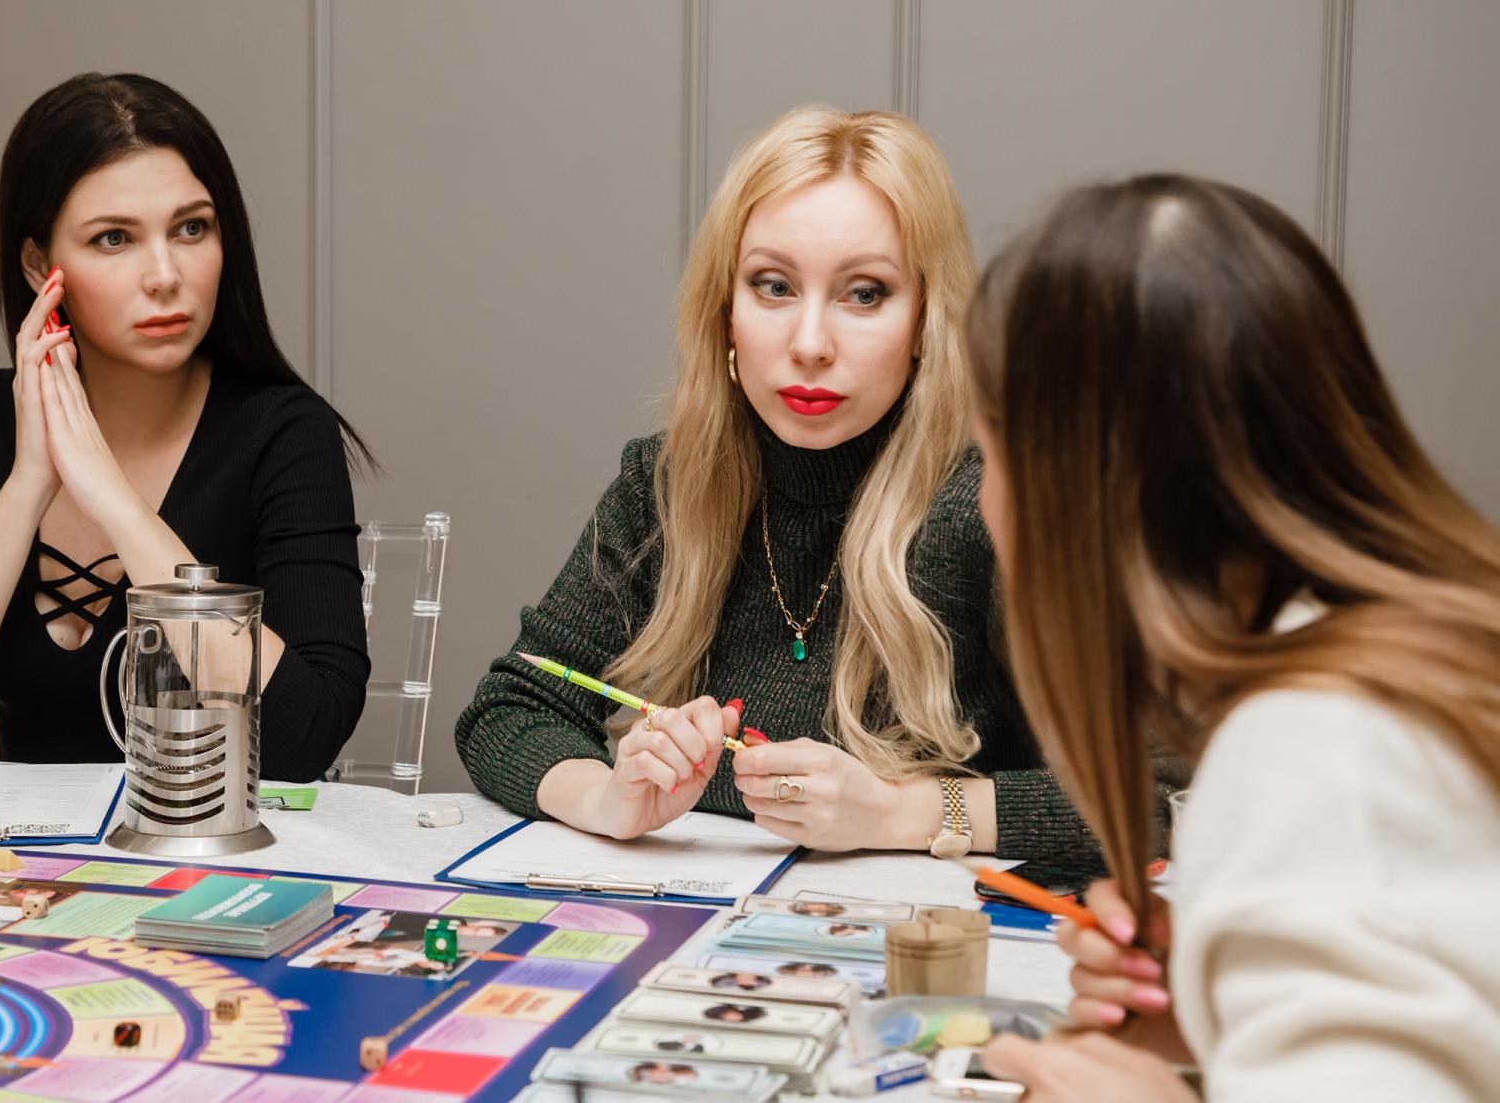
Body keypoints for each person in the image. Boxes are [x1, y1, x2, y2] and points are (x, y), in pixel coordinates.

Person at [456, 106, 1152, 860]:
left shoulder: (995, 504)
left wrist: (902, 813)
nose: (811, 344)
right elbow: (511, 705)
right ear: (725, 310)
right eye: (774, 286)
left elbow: (1163, 789)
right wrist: (606, 797)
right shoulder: (667, 484)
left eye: (865, 294)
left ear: (927, 320)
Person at [965, 176, 1500, 1100]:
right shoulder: (1414, 661)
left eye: (990, 454)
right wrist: (1230, 1013)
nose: (982, 500)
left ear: (1068, 492)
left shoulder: (1313, 752)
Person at [0, 73, 372, 779]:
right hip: (24, 852)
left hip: (213, 844)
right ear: (40, 265)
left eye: (191, 228)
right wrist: (29, 484)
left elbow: (304, 740)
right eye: (114, 238)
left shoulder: (283, 432)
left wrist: (114, 500)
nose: (165, 275)